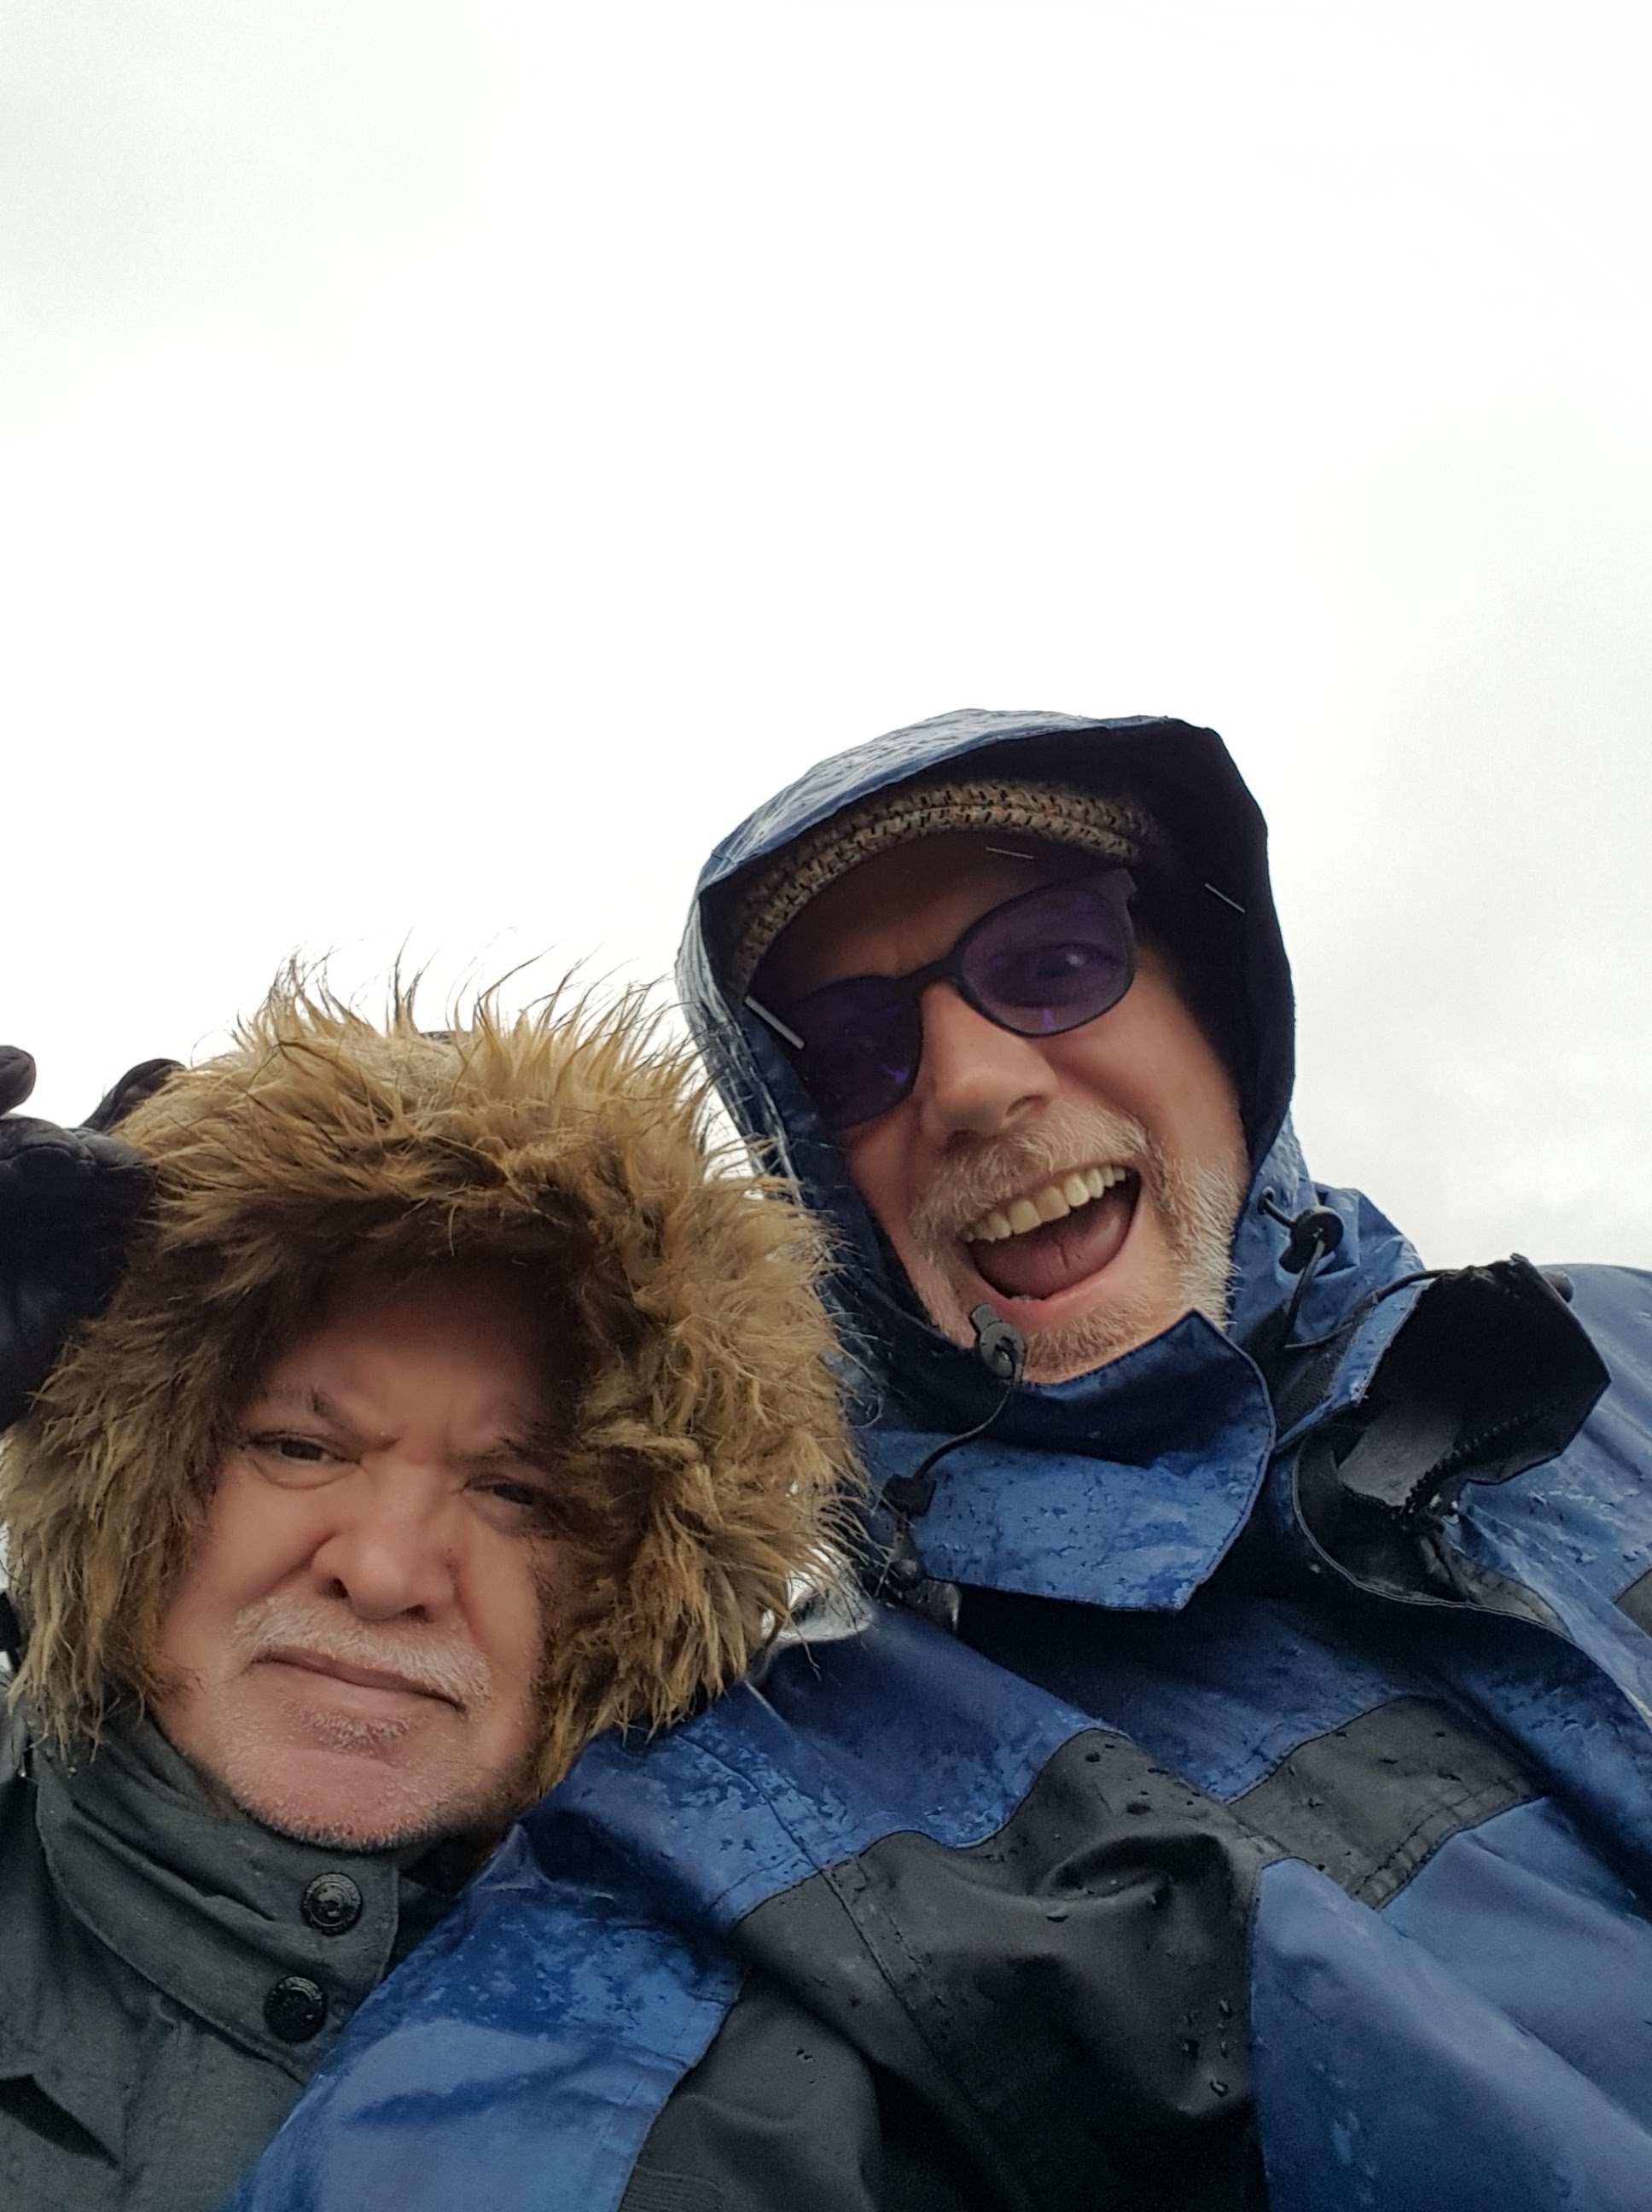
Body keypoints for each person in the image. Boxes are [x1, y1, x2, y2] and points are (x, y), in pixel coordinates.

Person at [234, 713, 1652, 2212]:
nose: (970, 1084)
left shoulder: (1614, 1342)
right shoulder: (793, 1797)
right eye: (855, 1056)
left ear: (1218, 1004)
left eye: (1054, 961)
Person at [0, 979, 851, 2212]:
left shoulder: (806, 2062)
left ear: (642, 1583)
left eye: (514, 1492)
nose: (386, 1573)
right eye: (300, 1447)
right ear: (123, 1478)